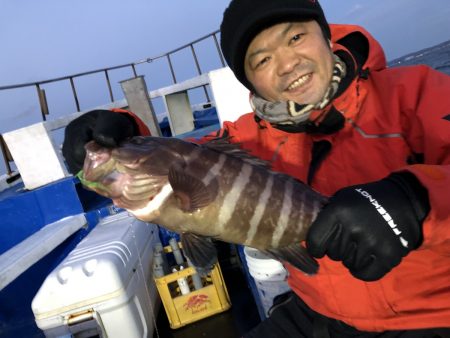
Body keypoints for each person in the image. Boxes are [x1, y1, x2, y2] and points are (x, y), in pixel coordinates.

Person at [62, 0, 450, 336]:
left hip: (432, 315)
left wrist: (414, 198)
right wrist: (126, 131)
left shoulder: (415, 92)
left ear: (326, 34)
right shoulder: (247, 137)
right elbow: (188, 159)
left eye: (295, 37)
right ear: (249, 80)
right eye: (261, 60)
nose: (287, 64)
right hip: (319, 313)